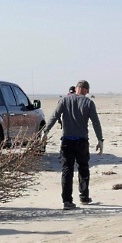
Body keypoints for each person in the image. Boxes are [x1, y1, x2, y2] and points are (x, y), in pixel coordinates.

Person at [43, 80, 104, 210]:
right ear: (86, 90)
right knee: (83, 168)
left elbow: (54, 116)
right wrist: (100, 140)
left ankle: (67, 201)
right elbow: (96, 123)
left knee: (67, 170)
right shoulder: (89, 102)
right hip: (82, 141)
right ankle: (84, 196)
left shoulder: (64, 100)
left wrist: (46, 131)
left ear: (76, 88)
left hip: (67, 141)